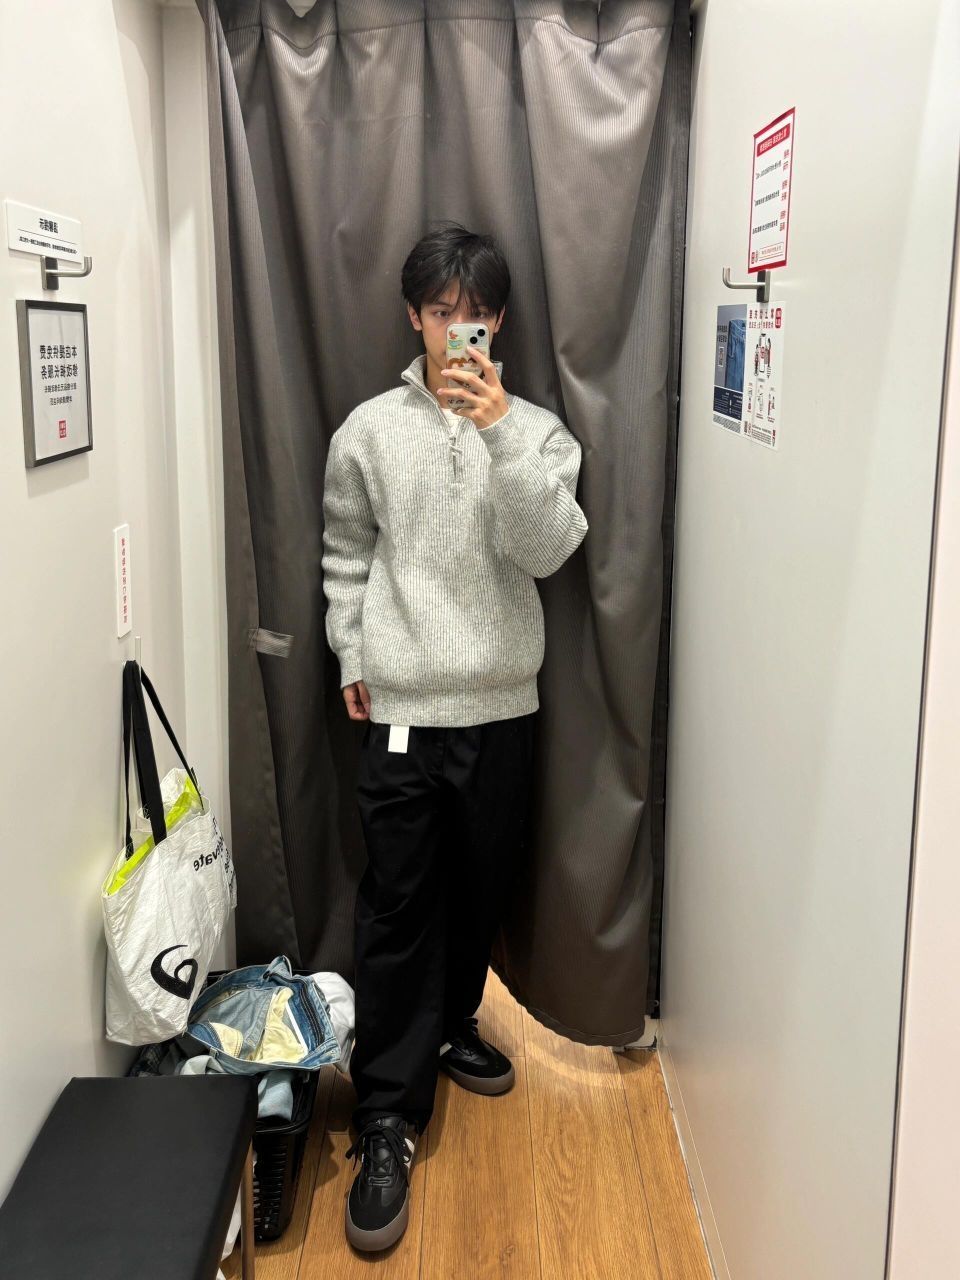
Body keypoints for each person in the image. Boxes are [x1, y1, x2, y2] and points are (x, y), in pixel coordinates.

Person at [321, 222, 589, 1252]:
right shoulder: (367, 430)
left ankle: (450, 1026)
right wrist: (352, 650)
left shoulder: (540, 433)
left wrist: (502, 429)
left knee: (481, 889)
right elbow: (346, 551)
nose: (457, 331)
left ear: (500, 321)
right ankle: (386, 1116)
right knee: (397, 904)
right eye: (441, 312)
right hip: (400, 709)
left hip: (504, 706)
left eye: (475, 315)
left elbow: (549, 548)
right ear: (413, 316)